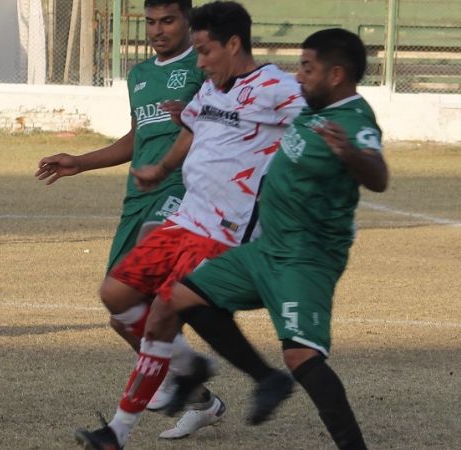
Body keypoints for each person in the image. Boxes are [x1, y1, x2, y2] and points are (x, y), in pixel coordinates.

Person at [73, 2, 306, 448]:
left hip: (227, 230)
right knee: (115, 294)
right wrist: (161, 169)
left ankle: (116, 433)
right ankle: (191, 366)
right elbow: (191, 129)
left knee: (164, 311)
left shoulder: (276, 87)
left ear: (233, 44)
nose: (199, 63)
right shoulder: (212, 87)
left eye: (204, 51)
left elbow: (318, 123)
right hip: (186, 219)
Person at [158, 28, 387, 450]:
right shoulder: (313, 109)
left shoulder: (354, 119)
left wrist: (351, 154)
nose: (299, 76)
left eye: (307, 68)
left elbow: (378, 175)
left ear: (336, 74)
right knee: (183, 297)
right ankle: (266, 380)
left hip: (306, 257)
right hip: (266, 248)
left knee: (301, 355)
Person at [36, 0, 219, 438]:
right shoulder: (139, 76)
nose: (157, 30)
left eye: (167, 21)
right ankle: (199, 396)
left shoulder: (203, 66)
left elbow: (224, 125)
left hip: (181, 191)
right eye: (150, 22)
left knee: (147, 284)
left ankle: (169, 377)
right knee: (121, 315)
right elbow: (139, 135)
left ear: (187, 22)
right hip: (138, 197)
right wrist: (81, 162)